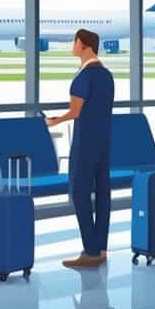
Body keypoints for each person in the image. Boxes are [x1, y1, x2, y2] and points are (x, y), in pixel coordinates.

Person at [47, 29, 115, 269]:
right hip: (104, 140)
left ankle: (90, 249)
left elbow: (76, 112)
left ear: (84, 45)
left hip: (85, 141)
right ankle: (101, 247)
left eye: (74, 41)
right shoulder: (107, 75)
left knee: (79, 191)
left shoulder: (83, 77)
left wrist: (54, 121)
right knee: (103, 192)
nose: (71, 46)